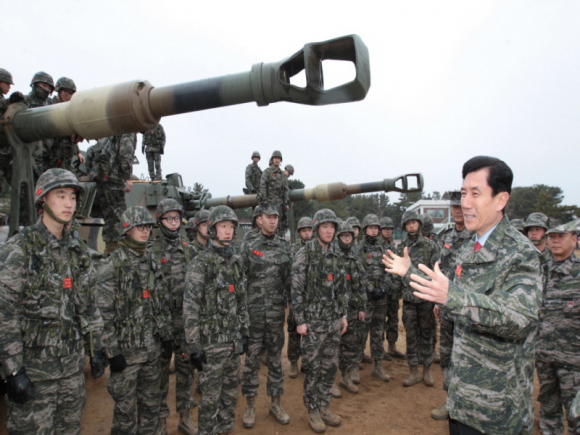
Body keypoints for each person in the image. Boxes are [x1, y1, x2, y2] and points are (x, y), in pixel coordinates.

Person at [384, 156, 543, 435]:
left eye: (475, 194)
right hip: (461, 402)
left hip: (496, 411)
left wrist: (452, 296)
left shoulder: (520, 252)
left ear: (501, 199)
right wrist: (409, 272)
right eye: (463, 193)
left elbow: (519, 318)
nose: (465, 203)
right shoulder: (471, 246)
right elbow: (447, 291)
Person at [0, 168, 105, 434]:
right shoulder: (20, 249)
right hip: (34, 374)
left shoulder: (78, 251)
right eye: (60, 195)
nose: (69, 203)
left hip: (71, 373)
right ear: (43, 200)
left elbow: (89, 305)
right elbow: (5, 314)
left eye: (73, 196)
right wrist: (13, 371)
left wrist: (96, 348)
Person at [97, 206, 172, 435]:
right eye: (140, 227)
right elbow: (102, 315)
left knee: (151, 410)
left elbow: (160, 302)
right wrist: (112, 352)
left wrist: (166, 336)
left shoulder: (151, 262)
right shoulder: (112, 265)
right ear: (127, 230)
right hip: (126, 357)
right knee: (125, 416)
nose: (145, 231)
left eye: (147, 227)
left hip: (152, 353)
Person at [183, 205, 249, 435]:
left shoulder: (236, 262)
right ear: (212, 230)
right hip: (210, 347)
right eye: (223, 226)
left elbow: (241, 300)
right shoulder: (200, 264)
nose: (228, 231)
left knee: (230, 398)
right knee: (210, 401)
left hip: (232, 344)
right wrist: (194, 346)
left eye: (231, 226)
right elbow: (190, 307)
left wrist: (244, 331)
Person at [291, 208, 348, 433]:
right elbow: (296, 290)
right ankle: (313, 409)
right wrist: (300, 320)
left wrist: (343, 315)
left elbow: (341, 288)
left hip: (333, 321)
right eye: (325, 226)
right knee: (313, 368)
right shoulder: (305, 253)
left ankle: (324, 406)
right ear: (317, 229)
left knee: (330, 367)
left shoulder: (336, 253)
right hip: (313, 324)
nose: (329, 231)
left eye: (332, 227)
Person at [240, 204, 292, 428]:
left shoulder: (284, 247)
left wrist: (294, 311)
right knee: (251, 362)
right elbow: (240, 280)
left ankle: (275, 404)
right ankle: (250, 405)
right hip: (253, 317)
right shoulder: (248, 245)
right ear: (258, 220)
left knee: (275, 361)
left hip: (276, 316)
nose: (272, 221)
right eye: (268, 217)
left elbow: (290, 282)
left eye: (275, 217)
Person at [151, 199, 198, 435]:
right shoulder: (152, 252)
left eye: (176, 218)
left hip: (184, 321)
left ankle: (185, 417)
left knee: (185, 370)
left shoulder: (189, 250)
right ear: (159, 221)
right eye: (168, 218)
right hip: (160, 322)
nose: (173, 223)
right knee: (159, 373)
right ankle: (160, 421)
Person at [536, 219, 580, 434]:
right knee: (548, 407)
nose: (555, 241)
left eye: (561, 237)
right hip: (544, 355)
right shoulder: (541, 271)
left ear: (574, 240)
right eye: (551, 237)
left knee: (576, 413)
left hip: (573, 360)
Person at [431, 191, 472, 420]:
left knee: (466, 355)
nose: (457, 211)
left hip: (468, 308)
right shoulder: (445, 236)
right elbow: (441, 269)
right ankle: (451, 401)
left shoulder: (476, 235)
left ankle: (466, 403)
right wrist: (438, 300)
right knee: (446, 354)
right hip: (447, 305)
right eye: (454, 208)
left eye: (461, 207)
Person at [394, 210, 440, 387]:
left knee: (427, 335)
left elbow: (437, 271)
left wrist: (435, 298)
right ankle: (413, 371)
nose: (411, 226)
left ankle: (427, 371)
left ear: (419, 224)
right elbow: (396, 273)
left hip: (426, 299)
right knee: (411, 336)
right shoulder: (401, 248)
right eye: (408, 223)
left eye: (414, 222)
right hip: (409, 300)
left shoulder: (430, 246)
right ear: (404, 227)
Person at [359, 214, 392, 382]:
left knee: (378, 332)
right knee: (361, 331)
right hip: (366, 297)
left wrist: (384, 287)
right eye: (370, 228)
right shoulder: (358, 248)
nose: (373, 231)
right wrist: (371, 289)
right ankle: (355, 366)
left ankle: (378, 366)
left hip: (381, 297)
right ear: (365, 229)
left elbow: (389, 269)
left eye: (375, 228)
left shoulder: (383, 248)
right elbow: (358, 272)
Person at [336, 220, 367, 395]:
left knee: (350, 344)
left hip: (352, 308)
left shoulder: (355, 258)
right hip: (335, 310)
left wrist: (362, 307)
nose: (347, 238)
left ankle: (346, 377)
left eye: (349, 235)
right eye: (343, 235)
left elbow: (361, 285)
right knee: (333, 345)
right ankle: (330, 380)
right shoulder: (332, 257)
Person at [92, 134, 136, 254]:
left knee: (109, 216)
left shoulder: (112, 133)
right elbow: (126, 154)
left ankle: (110, 249)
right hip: (114, 179)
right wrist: (127, 177)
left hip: (102, 179)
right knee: (119, 215)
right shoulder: (128, 131)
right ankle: (120, 250)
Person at [36, 77, 85, 174]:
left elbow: (72, 132)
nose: (69, 95)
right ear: (59, 90)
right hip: (49, 158)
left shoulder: (71, 109)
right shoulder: (47, 105)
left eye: (71, 93)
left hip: (65, 158)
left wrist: (77, 152)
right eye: (66, 92)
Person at [288, 216, 314, 378]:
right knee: (294, 332)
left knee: (309, 332)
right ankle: (293, 362)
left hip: (311, 299)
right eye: (304, 230)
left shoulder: (317, 249)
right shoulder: (293, 250)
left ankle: (306, 361)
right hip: (296, 296)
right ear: (299, 232)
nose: (307, 233)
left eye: (309, 230)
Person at [379, 216, 405, 360]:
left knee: (393, 319)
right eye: (385, 229)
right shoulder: (377, 247)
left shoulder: (394, 248)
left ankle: (392, 347)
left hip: (393, 291)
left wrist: (399, 287)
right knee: (380, 321)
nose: (388, 231)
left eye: (390, 229)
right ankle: (380, 348)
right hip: (382, 291)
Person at [257, 150, 289, 237]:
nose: (277, 160)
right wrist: (265, 201)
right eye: (275, 158)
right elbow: (262, 186)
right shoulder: (267, 172)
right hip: (269, 204)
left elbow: (286, 190)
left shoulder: (282, 175)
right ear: (272, 159)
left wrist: (285, 202)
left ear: (281, 160)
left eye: (278, 158)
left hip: (280, 205)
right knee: (268, 226)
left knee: (280, 226)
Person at [524, 212, 553, 279]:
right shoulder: (521, 255)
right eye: (530, 230)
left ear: (546, 232)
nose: (533, 233)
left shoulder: (554, 255)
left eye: (538, 229)